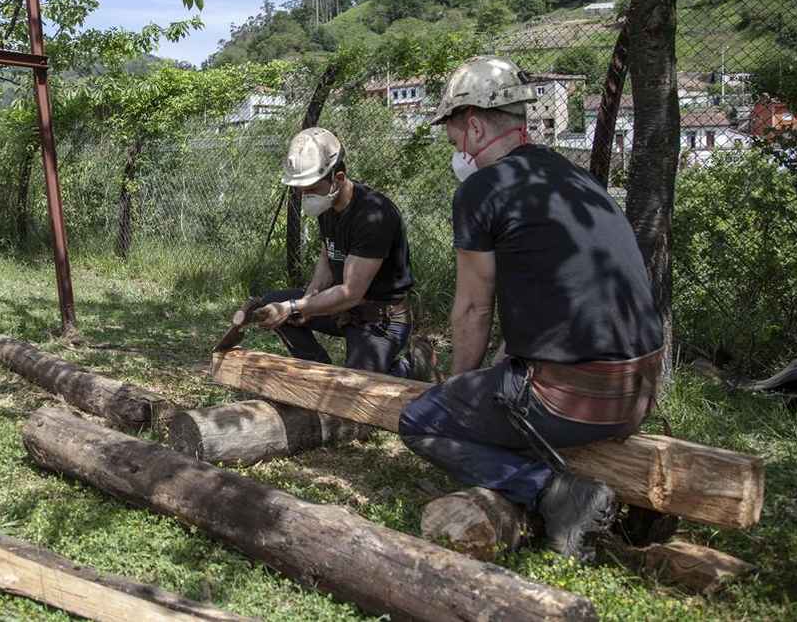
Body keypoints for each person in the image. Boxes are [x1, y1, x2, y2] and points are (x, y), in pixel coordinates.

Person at [396, 56, 664, 562]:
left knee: (422, 421)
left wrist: (458, 389)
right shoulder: (576, 180)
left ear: (473, 125)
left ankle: (555, 493)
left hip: (574, 399)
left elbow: (474, 308)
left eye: (454, 139)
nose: (457, 152)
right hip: (642, 390)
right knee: (499, 388)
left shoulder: (482, 190)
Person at [254, 126, 432, 379]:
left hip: (380, 320)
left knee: (355, 389)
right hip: (345, 309)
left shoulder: (373, 216)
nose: (305, 196)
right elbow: (329, 253)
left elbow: (351, 292)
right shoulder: (327, 203)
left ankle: (413, 366)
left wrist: (296, 307)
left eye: (311, 188)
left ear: (338, 178)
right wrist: (309, 296)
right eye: (301, 189)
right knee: (271, 303)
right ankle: (318, 373)